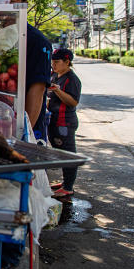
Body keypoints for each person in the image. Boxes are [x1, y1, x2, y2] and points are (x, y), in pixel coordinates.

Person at [0, 0, 52, 141]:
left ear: (24, 5)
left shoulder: (37, 42)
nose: (5, 9)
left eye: (11, 2)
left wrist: (23, 136)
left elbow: (37, 92)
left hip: (24, 131)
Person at [47, 48, 82, 198]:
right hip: (53, 119)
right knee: (60, 151)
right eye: (52, 62)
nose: (53, 65)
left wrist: (57, 91)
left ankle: (68, 187)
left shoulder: (72, 80)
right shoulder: (55, 75)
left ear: (67, 62)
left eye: (56, 62)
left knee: (68, 153)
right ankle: (65, 182)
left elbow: (73, 102)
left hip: (65, 122)